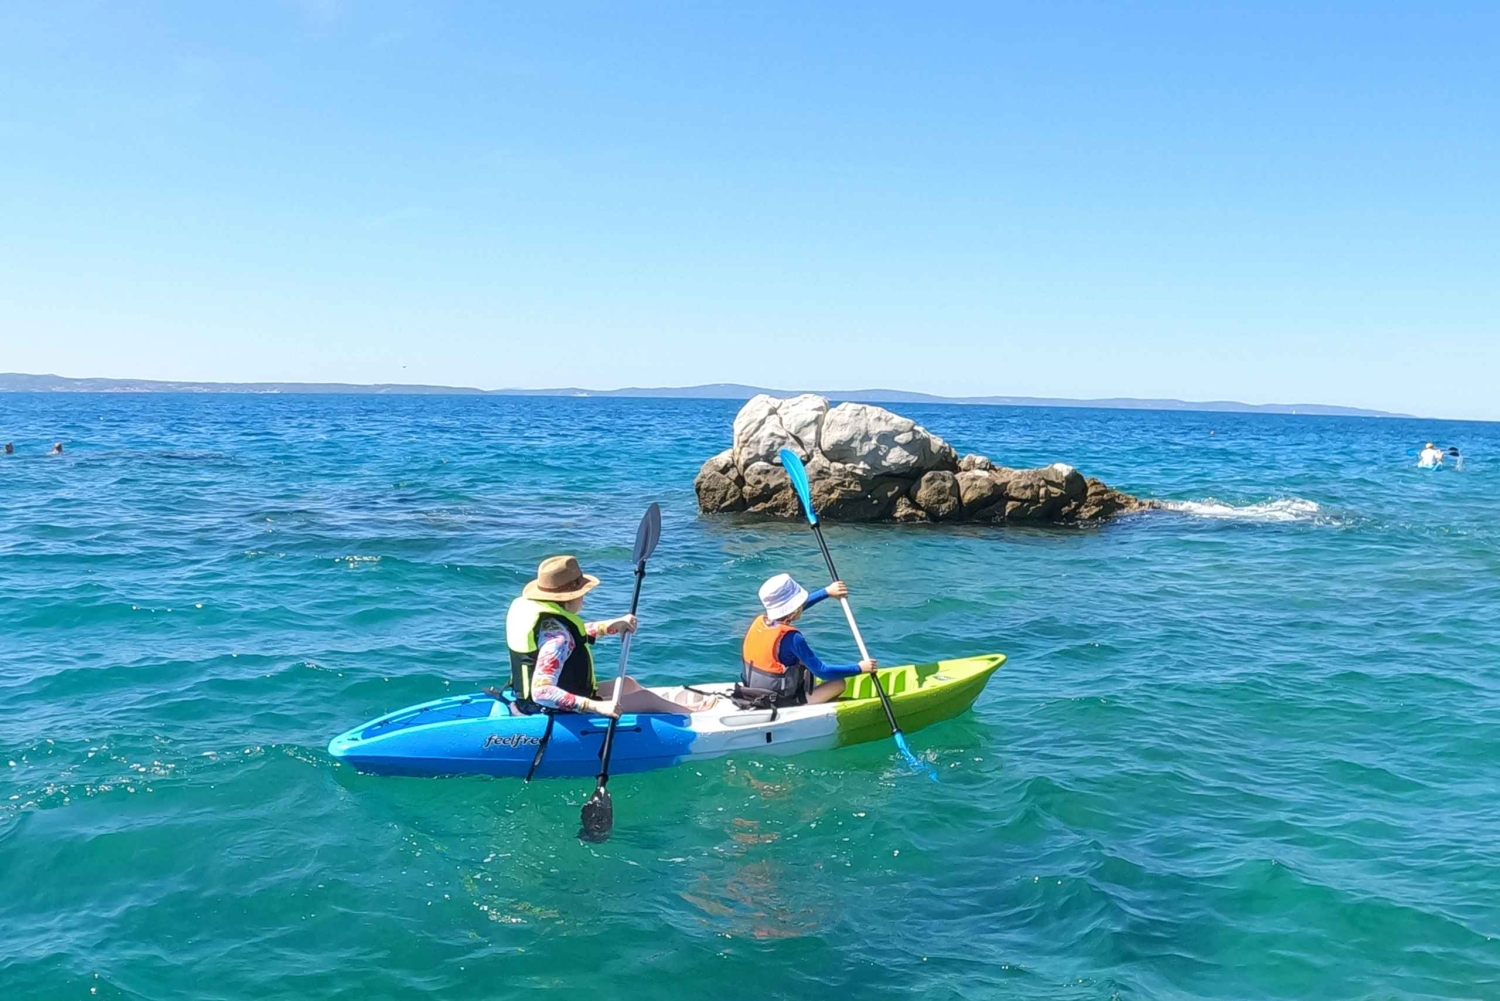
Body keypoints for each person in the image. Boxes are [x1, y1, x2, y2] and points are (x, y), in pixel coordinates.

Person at [498, 555, 713, 718]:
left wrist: (609, 626)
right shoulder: (558, 640)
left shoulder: (547, 620)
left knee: (628, 684)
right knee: (645, 699)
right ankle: (694, 716)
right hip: (551, 708)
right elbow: (542, 691)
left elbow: (575, 635)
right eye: (582, 594)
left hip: (538, 699)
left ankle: (672, 708)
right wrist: (595, 706)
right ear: (569, 597)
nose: (584, 598)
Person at [741, 573, 876, 707]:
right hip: (781, 702)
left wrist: (827, 592)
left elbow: (793, 611)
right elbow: (822, 671)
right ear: (794, 611)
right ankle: (806, 708)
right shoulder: (793, 638)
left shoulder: (761, 622)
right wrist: (860, 668)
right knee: (838, 683)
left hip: (754, 691)